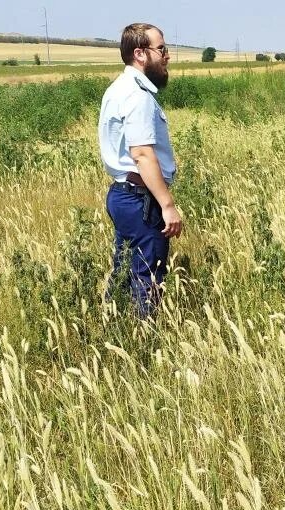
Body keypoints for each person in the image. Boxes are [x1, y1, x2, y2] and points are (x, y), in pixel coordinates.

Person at [98, 22, 183, 318]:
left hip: (123, 196)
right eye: (161, 49)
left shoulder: (118, 88)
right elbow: (143, 154)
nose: (167, 56)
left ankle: (113, 328)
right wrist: (168, 205)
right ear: (141, 54)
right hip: (140, 200)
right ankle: (145, 346)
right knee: (148, 276)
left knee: (123, 272)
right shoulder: (137, 95)